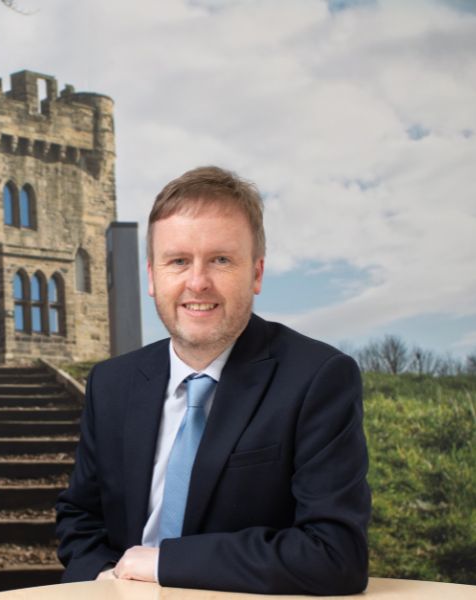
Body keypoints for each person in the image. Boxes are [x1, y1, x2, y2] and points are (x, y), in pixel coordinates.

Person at [55, 166, 370, 595]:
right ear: (152, 276)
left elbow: (335, 555)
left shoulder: (318, 379)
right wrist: (105, 581)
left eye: (221, 260)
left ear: (256, 274)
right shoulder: (111, 383)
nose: (198, 282)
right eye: (178, 261)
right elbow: (80, 518)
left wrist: (163, 563)